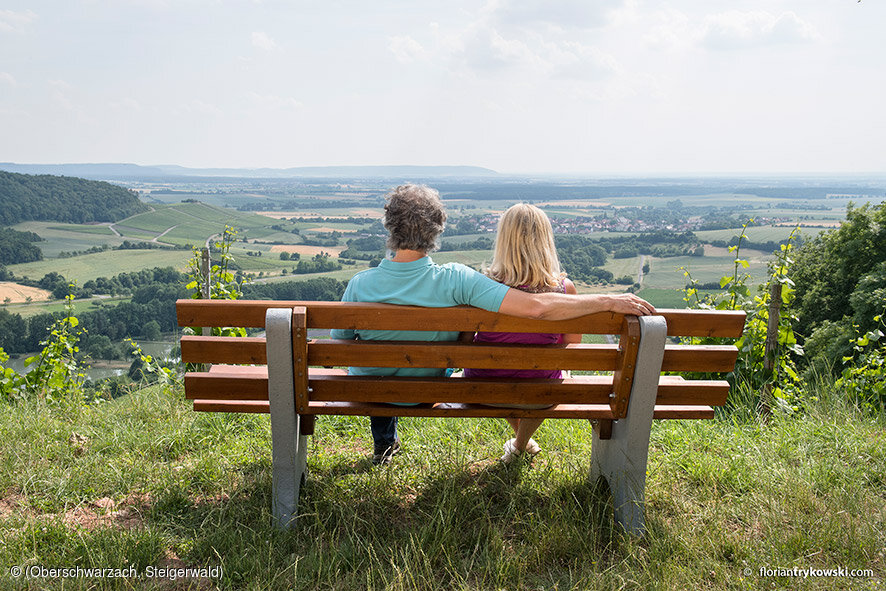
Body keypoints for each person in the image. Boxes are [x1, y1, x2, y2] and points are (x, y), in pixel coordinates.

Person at [330, 184, 655, 465]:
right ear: (437, 229)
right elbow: (534, 306)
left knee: (376, 366)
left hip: (372, 391)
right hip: (428, 389)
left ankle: (385, 445)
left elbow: (341, 346)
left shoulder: (360, 284)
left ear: (390, 228)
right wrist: (607, 300)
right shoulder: (457, 279)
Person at [463, 203, 581, 463]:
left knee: (497, 366)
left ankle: (519, 445)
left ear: (503, 240)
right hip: (542, 394)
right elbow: (573, 347)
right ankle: (520, 443)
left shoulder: (481, 287)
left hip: (482, 389)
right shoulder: (564, 289)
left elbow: (463, 343)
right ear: (545, 240)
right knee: (554, 371)